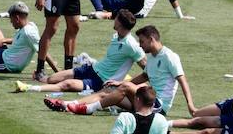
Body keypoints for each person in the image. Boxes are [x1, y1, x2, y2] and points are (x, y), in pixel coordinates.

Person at [51, 25, 196, 117]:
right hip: (142, 101)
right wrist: (119, 83)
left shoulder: (170, 57)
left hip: (157, 106)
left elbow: (182, 81)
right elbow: (144, 76)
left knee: (124, 87)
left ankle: (88, 109)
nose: (140, 45)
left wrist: (190, 104)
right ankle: (69, 104)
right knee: (107, 92)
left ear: (152, 39)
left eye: (142, 41)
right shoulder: (151, 57)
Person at [15, 9, 144, 95]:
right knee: (53, 78)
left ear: (120, 23)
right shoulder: (116, 36)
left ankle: (28, 88)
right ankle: (40, 80)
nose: (113, 19)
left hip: (101, 81)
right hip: (91, 69)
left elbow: (148, 69)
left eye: (116, 18)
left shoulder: (132, 45)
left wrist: (125, 83)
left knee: (66, 84)